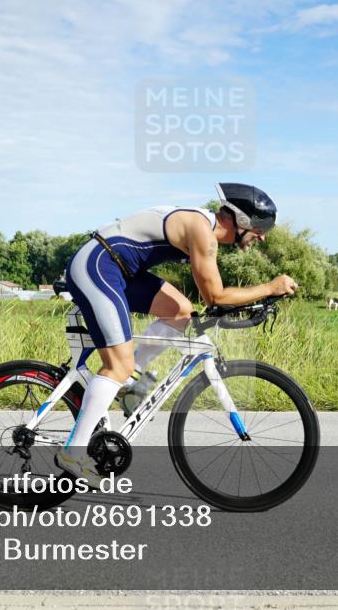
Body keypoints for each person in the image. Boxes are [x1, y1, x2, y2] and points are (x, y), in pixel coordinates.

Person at [56, 183, 298, 487]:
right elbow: (216, 296)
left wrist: (257, 300)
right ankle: (74, 452)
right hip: (98, 265)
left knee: (181, 311)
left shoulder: (203, 230)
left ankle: (130, 384)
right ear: (242, 220)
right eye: (261, 227)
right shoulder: (202, 233)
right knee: (117, 364)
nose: (262, 236)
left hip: (120, 269)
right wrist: (269, 288)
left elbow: (206, 300)